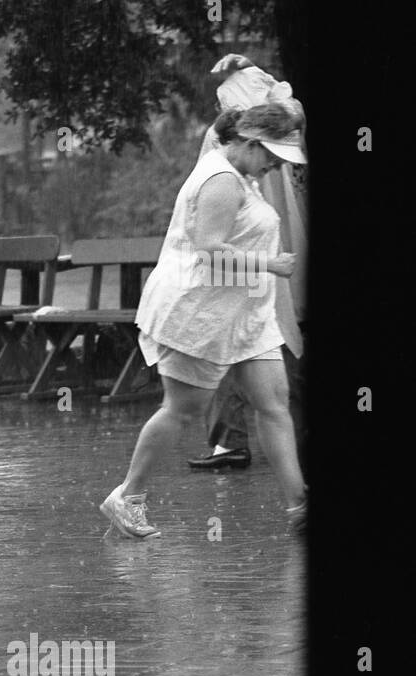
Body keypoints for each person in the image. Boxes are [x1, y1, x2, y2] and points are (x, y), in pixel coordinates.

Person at [100, 104, 308, 538]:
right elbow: (209, 249)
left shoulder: (243, 173)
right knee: (182, 411)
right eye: (272, 154)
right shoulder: (220, 181)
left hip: (245, 317)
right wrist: (270, 264)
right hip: (197, 313)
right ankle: (127, 497)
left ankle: (300, 505)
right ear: (250, 143)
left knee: (273, 405)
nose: (276, 164)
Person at [188, 55, 308, 472]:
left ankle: (240, 444)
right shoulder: (237, 142)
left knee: (260, 346)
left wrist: (253, 71)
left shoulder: (272, 136)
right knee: (248, 344)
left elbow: (288, 110)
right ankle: (234, 442)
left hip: (270, 257)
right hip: (253, 258)